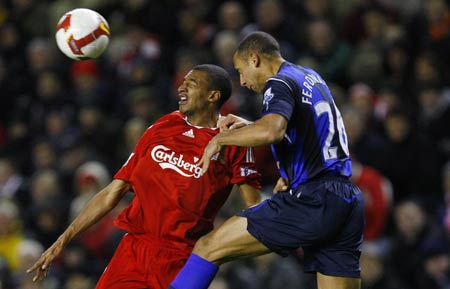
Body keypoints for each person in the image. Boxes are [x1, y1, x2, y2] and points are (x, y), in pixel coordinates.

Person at [26, 64, 262, 289]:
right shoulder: (163, 126)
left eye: (191, 83)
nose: (181, 87)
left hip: (182, 258)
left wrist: (218, 248)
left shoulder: (234, 140)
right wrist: (63, 240)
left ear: (213, 96)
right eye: (182, 82)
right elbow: (113, 191)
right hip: (134, 249)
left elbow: (252, 207)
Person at [168, 31, 364, 289]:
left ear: (254, 59)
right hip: (345, 199)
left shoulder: (279, 83)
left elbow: (273, 130)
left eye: (241, 71)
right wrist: (250, 126)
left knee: (207, 247)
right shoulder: (310, 77)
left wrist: (219, 140)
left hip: (314, 199)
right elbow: (307, 129)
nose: (243, 81)